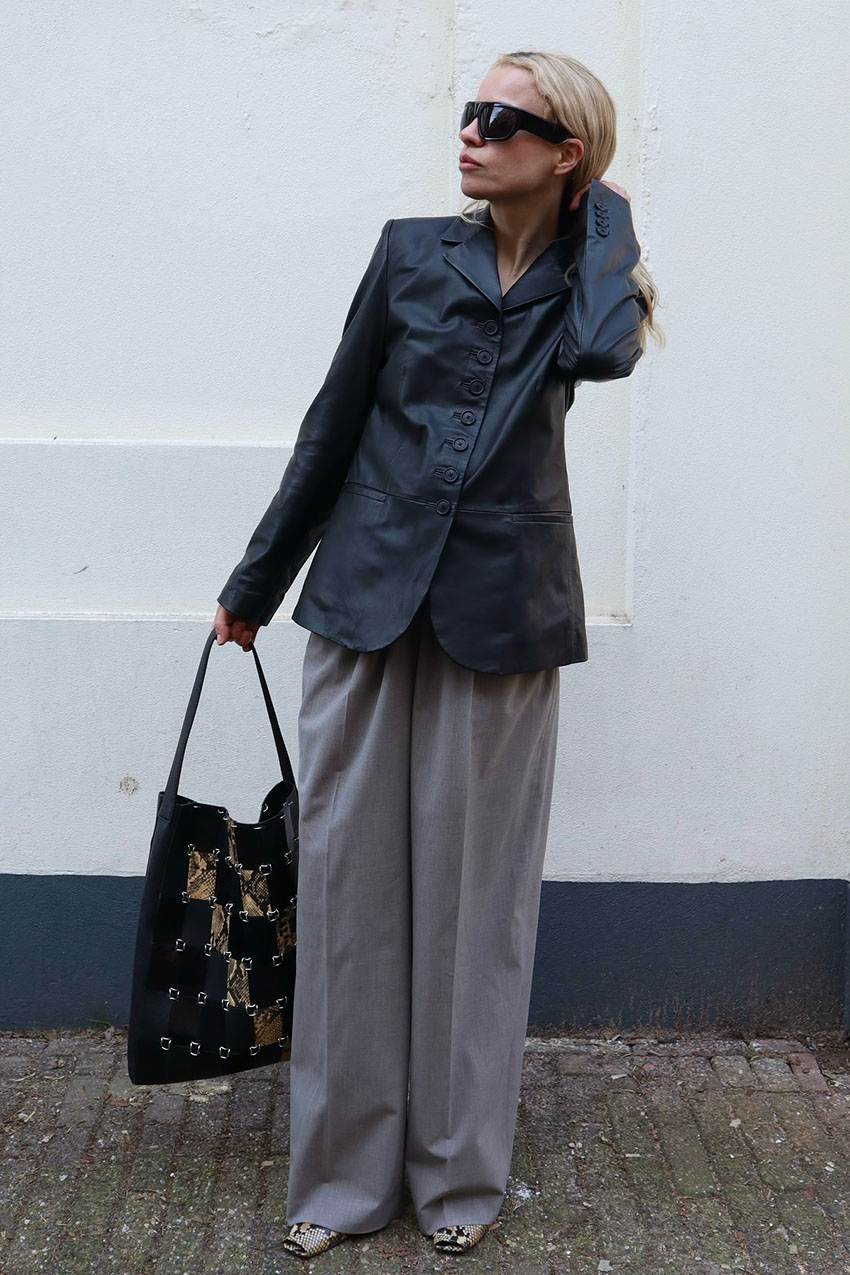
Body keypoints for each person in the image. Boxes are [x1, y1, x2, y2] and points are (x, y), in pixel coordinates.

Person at [212, 48, 660, 1261]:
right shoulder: (410, 252)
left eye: (502, 118)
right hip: (364, 598)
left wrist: (603, 214)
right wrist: (255, 583)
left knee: (476, 903)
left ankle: (458, 1175)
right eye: (469, 111)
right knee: (350, 892)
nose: (470, 132)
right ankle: (344, 1177)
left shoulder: (588, 283)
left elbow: (603, 354)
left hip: (503, 613)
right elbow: (333, 421)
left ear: (563, 152)